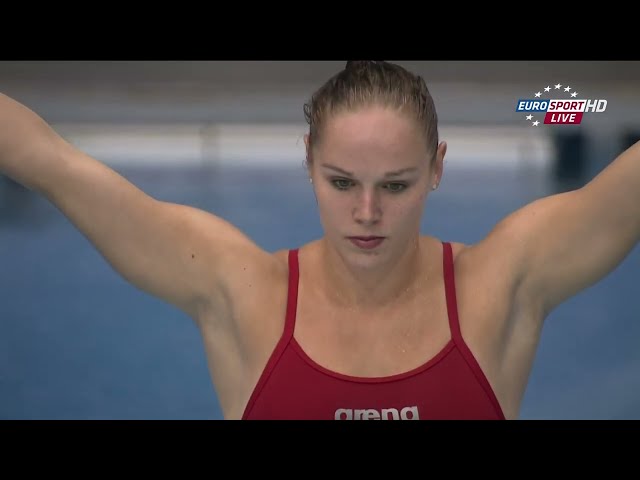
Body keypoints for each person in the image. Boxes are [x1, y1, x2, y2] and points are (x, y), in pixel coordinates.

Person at [1, 60, 638, 420]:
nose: (366, 212)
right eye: (341, 182)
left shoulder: (499, 287)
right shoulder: (240, 291)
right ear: (308, 163)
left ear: (437, 168)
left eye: (395, 186)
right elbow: (50, 161)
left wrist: (578, 107)